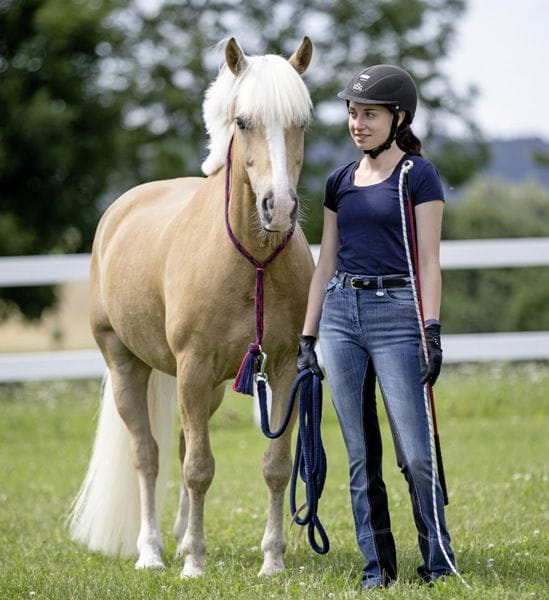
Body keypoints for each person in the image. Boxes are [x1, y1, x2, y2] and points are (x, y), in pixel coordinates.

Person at [297, 64, 456, 589]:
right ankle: (377, 569)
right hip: (342, 315)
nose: (357, 123)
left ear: (398, 117)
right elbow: (326, 263)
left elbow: (429, 261)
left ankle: (438, 560)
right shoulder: (339, 181)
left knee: (415, 451)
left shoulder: (418, 175)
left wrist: (431, 329)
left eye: (368, 114)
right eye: (351, 113)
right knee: (360, 453)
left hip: (397, 315)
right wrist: (307, 336)